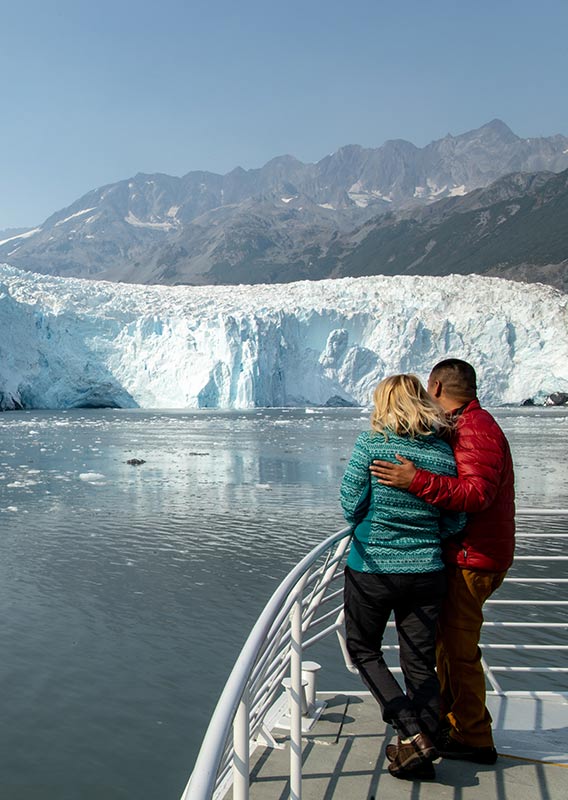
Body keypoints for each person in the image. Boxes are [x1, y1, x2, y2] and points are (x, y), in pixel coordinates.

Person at [370, 359, 515, 765]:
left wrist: (413, 480)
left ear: (435, 388)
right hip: (471, 553)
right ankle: (454, 723)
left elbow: (475, 494)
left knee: (458, 648)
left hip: (474, 558)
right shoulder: (470, 426)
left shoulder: (475, 429)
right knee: (447, 646)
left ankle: (474, 737)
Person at [341, 374, 465, 780]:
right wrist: (427, 538)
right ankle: (423, 750)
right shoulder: (443, 453)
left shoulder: (372, 444)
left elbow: (350, 504)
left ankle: (411, 731)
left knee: (363, 650)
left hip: (373, 568)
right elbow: (455, 515)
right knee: (419, 661)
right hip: (428, 570)